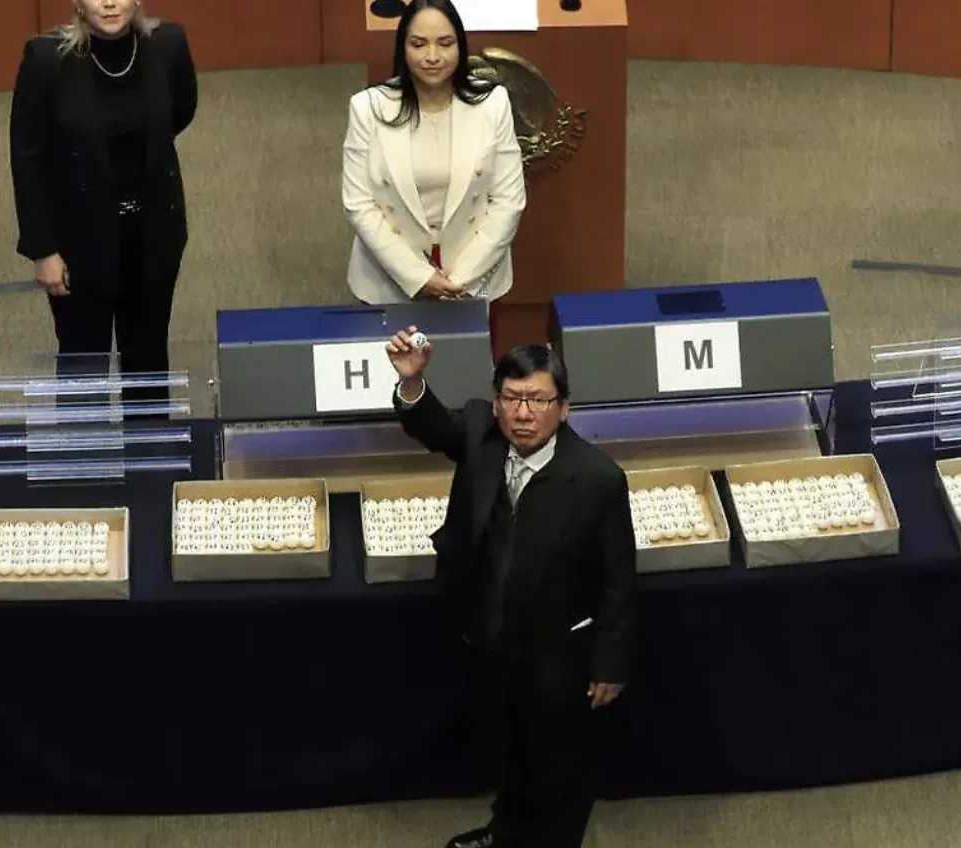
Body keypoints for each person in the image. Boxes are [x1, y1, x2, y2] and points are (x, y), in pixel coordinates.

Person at [386, 327, 635, 848]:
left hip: (557, 654)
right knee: (506, 751)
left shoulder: (598, 478)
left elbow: (618, 579)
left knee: (557, 768)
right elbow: (433, 425)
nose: (524, 414)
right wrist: (411, 383)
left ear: (563, 408)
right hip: (488, 640)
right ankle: (506, 834)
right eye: (513, 398)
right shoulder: (481, 432)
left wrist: (609, 664)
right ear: (497, 402)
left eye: (538, 400)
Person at [9, 0, 197, 407]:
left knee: (147, 359)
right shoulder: (46, 60)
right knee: (83, 365)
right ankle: (83, 449)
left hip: (153, 235)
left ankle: (148, 449)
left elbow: (180, 112)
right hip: (79, 242)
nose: (109, 3)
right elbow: (27, 158)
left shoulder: (168, 45)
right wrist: (42, 249)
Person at [342, 0, 527, 305]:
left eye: (445, 43)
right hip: (391, 279)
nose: (432, 57)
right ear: (403, 48)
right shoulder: (367, 108)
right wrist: (419, 277)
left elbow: (509, 201)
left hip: (473, 277)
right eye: (418, 44)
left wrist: (461, 279)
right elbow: (359, 204)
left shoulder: (493, 104)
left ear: (460, 46)